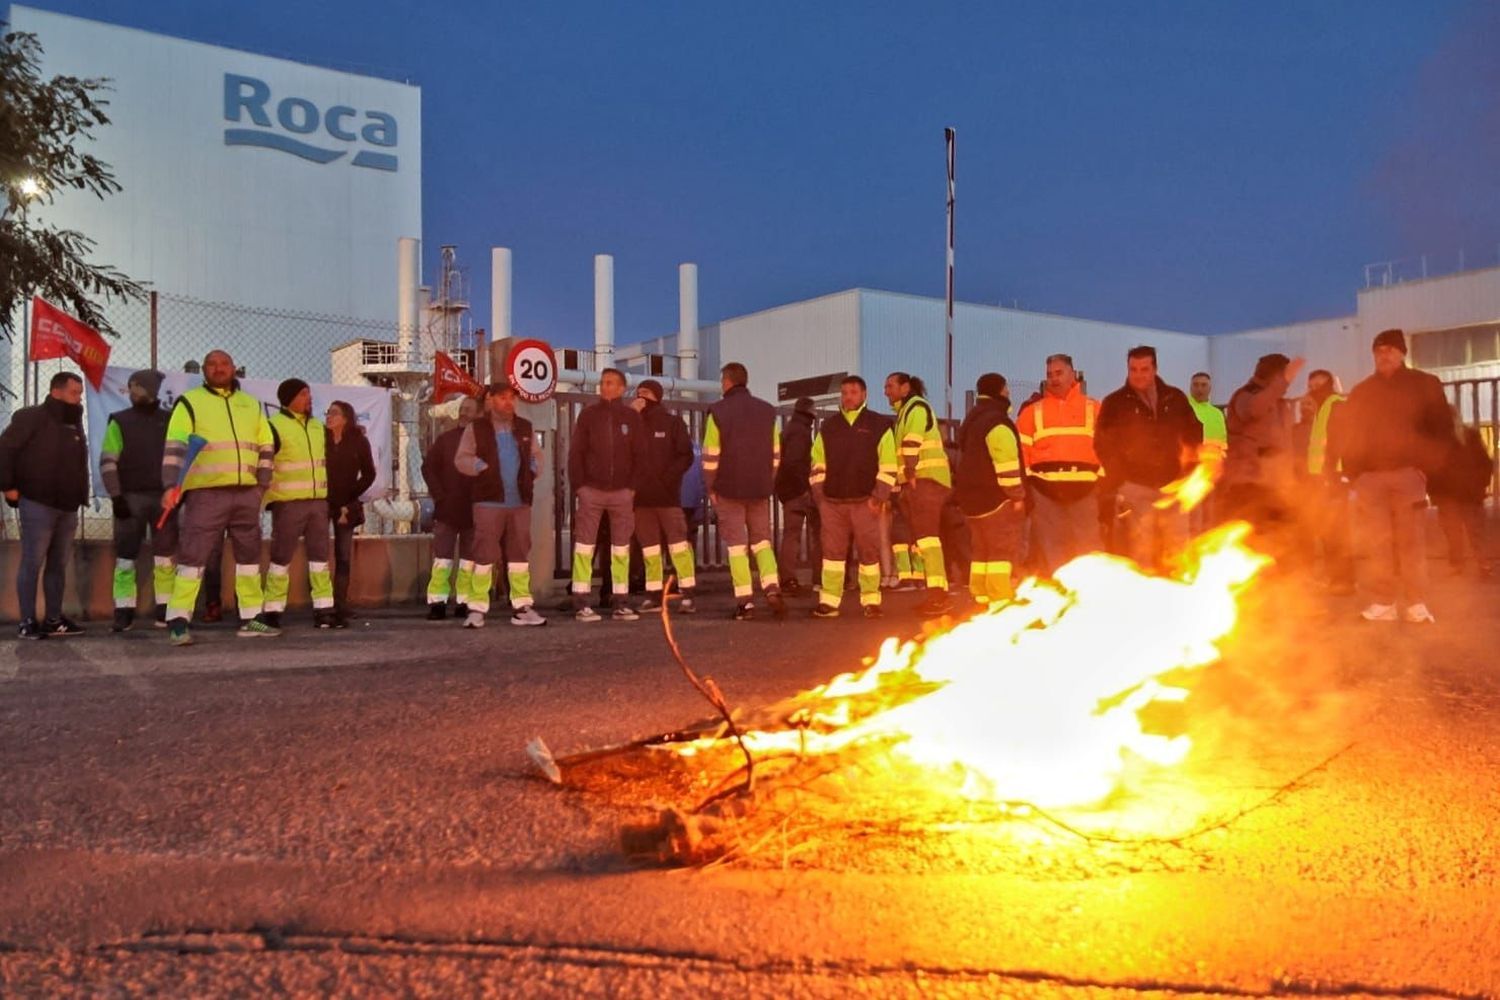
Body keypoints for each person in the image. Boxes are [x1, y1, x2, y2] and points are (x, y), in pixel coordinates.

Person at [159, 349, 277, 645]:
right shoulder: (191, 402)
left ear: (233, 368)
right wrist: (170, 485)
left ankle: (252, 617)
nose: (219, 368)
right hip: (206, 493)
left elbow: (266, 445)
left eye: (224, 364)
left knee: (249, 558)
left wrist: (261, 486)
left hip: (246, 494)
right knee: (193, 556)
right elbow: (175, 447)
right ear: (204, 370)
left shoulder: (251, 405)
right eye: (212, 364)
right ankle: (178, 620)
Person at [1337, 329, 1452, 624]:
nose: (1384, 355)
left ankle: (1416, 603)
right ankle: (1383, 602)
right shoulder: (1363, 391)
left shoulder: (1424, 385)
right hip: (1371, 478)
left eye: (1390, 349)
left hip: (1408, 475)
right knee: (1377, 543)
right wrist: (1354, 473)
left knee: (1411, 541)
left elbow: (1441, 428)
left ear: (1402, 353)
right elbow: (1349, 433)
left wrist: (1426, 469)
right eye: (1378, 350)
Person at [1095, 346, 1203, 569]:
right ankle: (1143, 598)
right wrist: (1120, 480)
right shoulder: (1115, 402)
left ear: (1155, 368)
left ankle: (1180, 595)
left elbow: (1193, 432)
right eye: (1133, 369)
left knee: (1179, 550)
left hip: (1173, 486)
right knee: (1140, 552)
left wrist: (1188, 471)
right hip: (1135, 488)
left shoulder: (1174, 397)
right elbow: (1102, 444)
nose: (1138, 374)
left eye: (1144, 369)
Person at [0, 371, 89, 639]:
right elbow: (5, 449)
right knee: (32, 562)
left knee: (58, 565)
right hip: (37, 502)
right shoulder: (30, 417)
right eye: (74, 392)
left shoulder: (74, 422)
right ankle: (27, 621)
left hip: (68, 505)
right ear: (56, 392)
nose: (79, 397)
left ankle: (53, 619)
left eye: (80, 392)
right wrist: (8, 486)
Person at [455, 383, 546, 627]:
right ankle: (476, 608)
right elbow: (462, 458)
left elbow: (537, 455)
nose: (509, 402)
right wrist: (482, 469)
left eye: (512, 398)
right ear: (490, 400)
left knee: (519, 555)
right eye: (503, 398)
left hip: (519, 503)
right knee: (484, 554)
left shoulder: (524, 427)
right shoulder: (477, 428)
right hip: (488, 501)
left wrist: (532, 471)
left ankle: (522, 606)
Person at [809, 375, 896, 619]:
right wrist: (821, 498)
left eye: (854, 392)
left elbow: (888, 465)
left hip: (865, 502)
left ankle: (871, 600)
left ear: (864, 395)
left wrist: (878, 497)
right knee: (832, 555)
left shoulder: (879, 425)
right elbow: (817, 465)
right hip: (833, 503)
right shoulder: (829, 427)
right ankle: (829, 601)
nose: (848, 397)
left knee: (869, 552)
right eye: (845, 392)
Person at [704, 362, 786, 620]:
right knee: (762, 542)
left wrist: (710, 486)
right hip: (759, 489)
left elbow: (710, 455)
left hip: (729, 489)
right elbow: (775, 454)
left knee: (737, 547)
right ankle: (772, 587)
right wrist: (767, 481)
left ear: (727, 381)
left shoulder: (718, 411)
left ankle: (745, 602)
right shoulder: (767, 411)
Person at [99, 369, 175, 632]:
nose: (132, 393)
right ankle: (123, 611)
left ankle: (166, 610)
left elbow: (180, 458)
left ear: (151, 391)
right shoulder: (119, 421)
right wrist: (116, 496)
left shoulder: (171, 420)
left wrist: (176, 490)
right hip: (129, 499)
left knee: (165, 557)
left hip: (164, 498)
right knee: (125, 557)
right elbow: (108, 461)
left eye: (137, 388)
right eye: (131, 388)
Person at [1015, 354, 1103, 574]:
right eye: (1049, 374)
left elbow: (1109, 449)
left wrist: (1105, 485)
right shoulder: (1031, 413)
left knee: (1088, 553)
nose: (1053, 379)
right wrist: (1026, 490)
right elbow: (1021, 453)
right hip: (1046, 497)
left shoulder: (1094, 408)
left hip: (1086, 494)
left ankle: (1088, 600)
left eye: (1059, 373)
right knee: (1051, 555)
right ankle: (1059, 602)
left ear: (1073, 374)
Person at [568, 368, 642, 622]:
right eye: (602, 383)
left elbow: (639, 456)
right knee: (584, 547)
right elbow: (576, 452)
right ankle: (581, 601)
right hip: (592, 491)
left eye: (610, 383)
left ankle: (620, 601)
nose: (604, 387)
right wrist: (580, 486)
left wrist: (632, 488)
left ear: (622, 388)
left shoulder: (631, 418)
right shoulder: (589, 415)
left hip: (622, 493)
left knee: (621, 549)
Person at [262, 379, 334, 630]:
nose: (309, 398)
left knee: (320, 558)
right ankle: (272, 610)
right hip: (288, 504)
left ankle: (324, 609)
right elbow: (265, 466)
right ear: (289, 398)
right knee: (281, 558)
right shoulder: (274, 427)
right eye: (303, 394)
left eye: (309, 394)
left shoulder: (317, 427)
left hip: (317, 504)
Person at [884, 372, 954, 616]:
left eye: (890, 386)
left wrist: (910, 473)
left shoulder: (915, 408)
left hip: (924, 481)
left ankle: (938, 595)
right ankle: (936, 592)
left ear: (905, 387)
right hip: (919, 482)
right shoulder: (907, 410)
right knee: (925, 539)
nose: (886, 391)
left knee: (927, 539)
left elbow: (911, 443)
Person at [954, 373, 1026, 605]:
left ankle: (981, 594)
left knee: (981, 550)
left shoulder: (972, 420)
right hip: (996, 499)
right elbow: (1006, 463)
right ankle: (1000, 597)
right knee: (1000, 551)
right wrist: (1017, 495)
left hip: (971, 501)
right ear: (1002, 390)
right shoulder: (997, 422)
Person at [630, 379, 698, 613]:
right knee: (649, 549)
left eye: (646, 393)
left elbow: (685, 455)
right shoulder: (633, 423)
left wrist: (668, 479)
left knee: (678, 545)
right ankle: (654, 595)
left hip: (668, 497)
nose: (641, 397)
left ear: (657, 396)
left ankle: (688, 594)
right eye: (638, 393)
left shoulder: (673, 423)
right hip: (641, 499)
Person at [1224, 353, 1303, 540]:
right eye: (1283, 378)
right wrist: (1283, 382)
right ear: (1275, 376)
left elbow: (1284, 447)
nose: (1287, 385)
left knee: (1281, 541)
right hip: (1249, 485)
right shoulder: (1246, 395)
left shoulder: (1280, 404)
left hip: (1277, 485)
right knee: (1252, 542)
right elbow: (1254, 409)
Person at [422, 395, 480, 620]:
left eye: (469, 409)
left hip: (473, 510)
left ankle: (463, 602)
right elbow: (428, 468)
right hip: (447, 509)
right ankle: (437, 602)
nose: (464, 412)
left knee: (468, 560)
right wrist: (439, 496)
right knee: (442, 558)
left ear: (478, 414)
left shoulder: (484, 442)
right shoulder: (446, 440)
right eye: (462, 409)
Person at [324, 399, 377, 627]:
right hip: (322, 502)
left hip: (345, 506)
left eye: (334, 413)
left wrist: (351, 494)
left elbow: (369, 474)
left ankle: (340, 605)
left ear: (346, 417)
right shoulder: (320, 439)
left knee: (343, 557)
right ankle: (322, 604)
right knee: (318, 556)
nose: (328, 416)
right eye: (327, 413)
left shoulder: (358, 441)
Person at [1302, 370, 1354, 594]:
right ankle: (1337, 579)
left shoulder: (1335, 404)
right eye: (1311, 385)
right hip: (1321, 479)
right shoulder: (1321, 408)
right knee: (1327, 531)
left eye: (1319, 385)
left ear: (1330, 385)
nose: (1314, 389)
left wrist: (1330, 475)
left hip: (1331, 479)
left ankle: (1343, 581)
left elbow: (1338, 442)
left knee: (1336, 532)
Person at [1427, 406, 1493, 578]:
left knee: (1453, 531)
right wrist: (1481, 484)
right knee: (1475, 530)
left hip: (1448, 493)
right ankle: (1482, 564)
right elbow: (1485, 462)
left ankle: (1458, 564)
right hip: (1469, 492)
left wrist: (1433, 492)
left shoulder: (1437, 441)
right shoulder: (1470, 436)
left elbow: (1432, 470)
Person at [775, 397, 820, 596]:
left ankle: (787, 578)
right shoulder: (801, 433)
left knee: (791, 536)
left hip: (787, 490)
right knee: (818, 534)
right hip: (800, 490)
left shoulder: (788, 430)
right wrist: (805, 488)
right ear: (810, 414)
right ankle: (819, 578)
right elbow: (795, 463)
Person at [1187, 371, 1227, 533]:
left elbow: (1222, 445)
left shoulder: (1217, 414)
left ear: (1210, 388)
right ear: (1190, 387)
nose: (1199, 389)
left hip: (1211, 474)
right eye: (1196, 385)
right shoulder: (1185, 409)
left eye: (1204, 385)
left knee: (1209, 516)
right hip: (1190, 472)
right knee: (1193, 516)